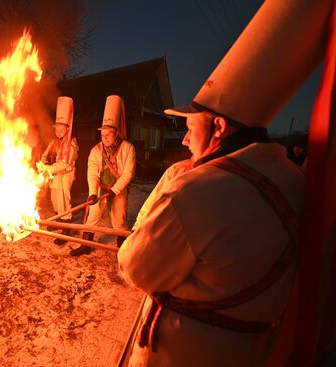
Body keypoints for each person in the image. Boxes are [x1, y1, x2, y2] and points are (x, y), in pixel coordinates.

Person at [116, 0, 332, 364]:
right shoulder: (294, 182)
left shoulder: (196, 192)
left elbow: (134, 266)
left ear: (218, 126)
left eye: (189, 128)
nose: (184, 140)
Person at [70, 95, 136, 256]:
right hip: (100, 189)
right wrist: (93, 192)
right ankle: (86, 245)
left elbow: (128, 173)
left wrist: (115, 190)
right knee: (92, 217)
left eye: (108, 134)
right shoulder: (95, 151)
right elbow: (92, 173)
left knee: (119, 221)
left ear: (116, 133)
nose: (104, 137)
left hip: (118, 190)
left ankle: (124, 250)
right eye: (102, 134)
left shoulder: (128, 148)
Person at [39, 96, 79, 245]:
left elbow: (64, 163)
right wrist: (44, 163)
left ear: (67, 129)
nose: (58, 131)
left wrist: (50, 168)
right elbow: (44, 155)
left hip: (64, 176)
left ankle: (66, 230)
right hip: (54, 176)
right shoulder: (54, 142)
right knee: (55, 201)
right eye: (56, 129)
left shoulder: (72, 144)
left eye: (61, 129)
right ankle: (58, 223)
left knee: (64, 203)